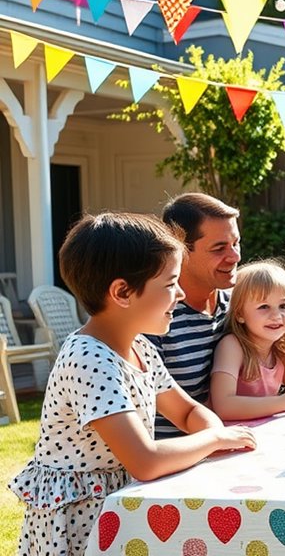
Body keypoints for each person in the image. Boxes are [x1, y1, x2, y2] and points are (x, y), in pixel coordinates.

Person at [8, 213, 255, 556]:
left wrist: (214, 434)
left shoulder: (140, 347)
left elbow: (186, 412)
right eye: (170, 284)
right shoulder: (89, 358)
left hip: (121, 504)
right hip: (79, 521)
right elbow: (145, 460)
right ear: (122, 292)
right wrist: (214, 438)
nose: (180, 294)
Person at [151, 193, 241, 438]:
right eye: (219, 248)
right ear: (181, 250)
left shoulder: (238, 303)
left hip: (230, 442)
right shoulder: (155, 318)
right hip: (174, 458)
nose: (234, 256)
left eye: (236, 243)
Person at [209, 261, 285, 420]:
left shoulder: (284, 346)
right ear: (239, 314)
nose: (276, 316)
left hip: (271, 430)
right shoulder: (233, 346)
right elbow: (224, 407)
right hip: (236, 436)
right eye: (264, 307)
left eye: (283, 306)